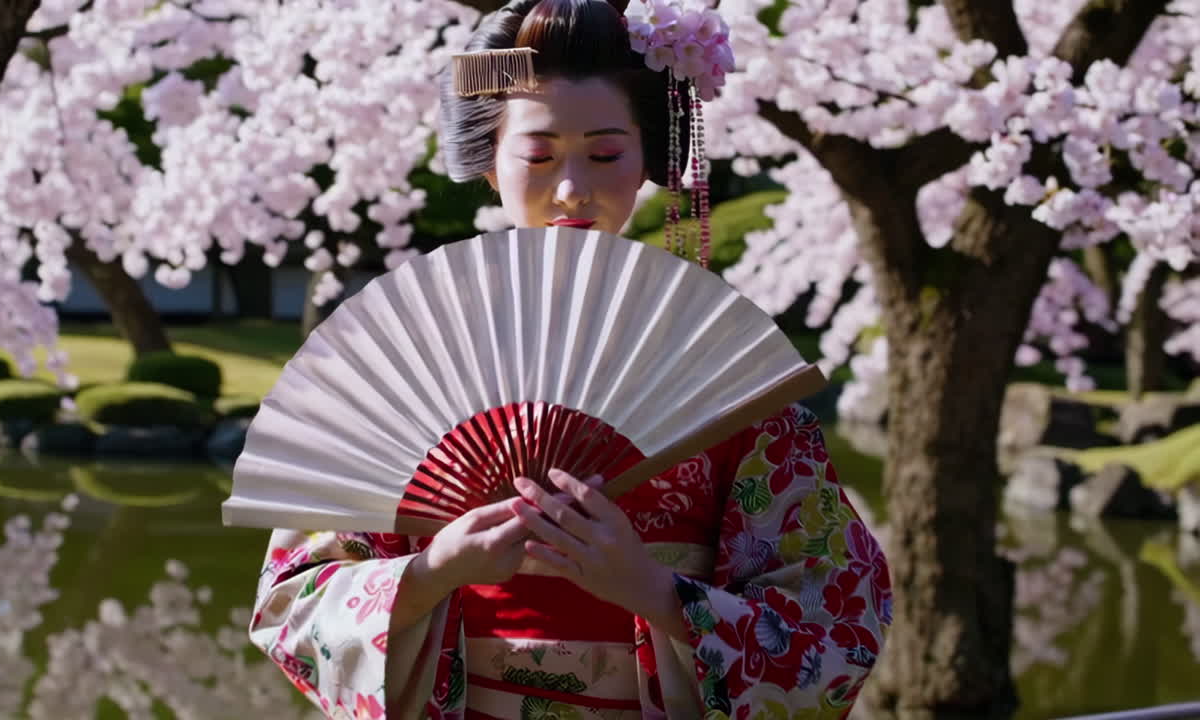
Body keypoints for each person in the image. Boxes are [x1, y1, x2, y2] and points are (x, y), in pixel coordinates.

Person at [248, 1, 892, 717]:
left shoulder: (723, 373)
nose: (572, 189)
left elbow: (836, 623)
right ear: (489, 164)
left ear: (649, 158)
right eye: (539, 154)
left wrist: (652, 589)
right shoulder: (394, 363)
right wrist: (435, 570)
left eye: (606, 153)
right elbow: (293, 603)